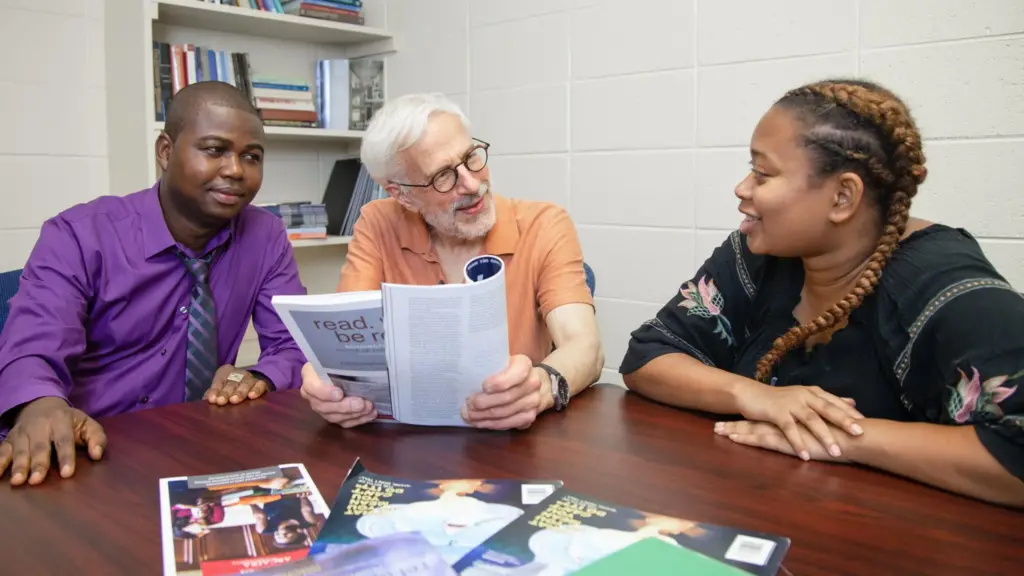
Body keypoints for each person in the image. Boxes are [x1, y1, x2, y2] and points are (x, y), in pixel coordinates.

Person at [620, 79, 1024, 508]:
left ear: (842, 197)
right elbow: (649, 356)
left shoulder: (942, 282)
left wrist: (842, 437)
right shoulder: (759, 251)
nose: (742, 188)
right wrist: (755, 396)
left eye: (763, 173)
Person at [0, 81, 307, 487]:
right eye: (215, 150)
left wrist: (262, 376)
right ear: (166, 151)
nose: (235, 170)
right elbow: (32, 349)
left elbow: (293, 344)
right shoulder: (79, 235)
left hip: (195, 447)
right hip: (83, 451)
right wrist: (39, 404)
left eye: (251, 157)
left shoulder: (265, 236)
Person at [300, 93, 604, 431]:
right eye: (443, 176)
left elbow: (584, 346)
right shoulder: (377, 222)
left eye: (471, 157)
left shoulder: (544, 223)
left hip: (513, 439)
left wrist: (541, 388)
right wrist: (322, 380)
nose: (473, 184)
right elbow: (346, 338)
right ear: (402, 194)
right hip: (407, 438)